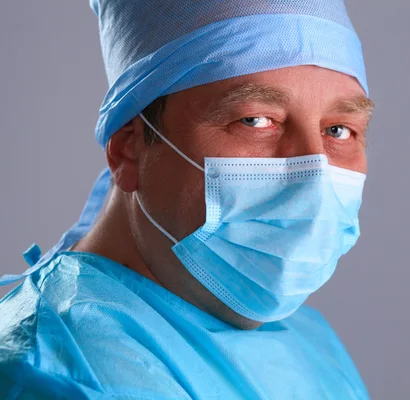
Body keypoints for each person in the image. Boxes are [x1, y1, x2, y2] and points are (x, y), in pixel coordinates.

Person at [0, 1, 374, 398]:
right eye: (254, 120)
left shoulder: (304, 338)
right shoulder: (66, 373)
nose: (312, 173)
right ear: (129, 148)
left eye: (338, 129)